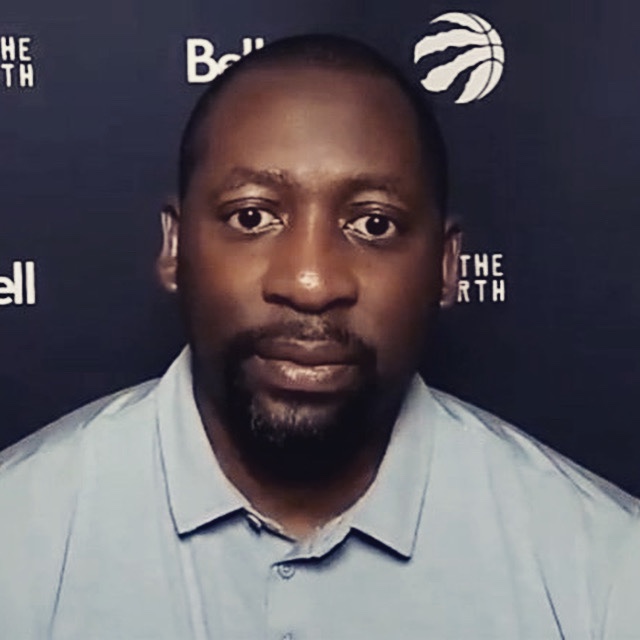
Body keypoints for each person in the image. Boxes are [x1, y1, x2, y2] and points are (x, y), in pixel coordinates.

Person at [1, 34, 639, 639]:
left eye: (374, 224)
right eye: (252, 216)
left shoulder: (606, 567)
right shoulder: (19, 533)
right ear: (175, 246)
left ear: (447, 268)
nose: (310, 282)